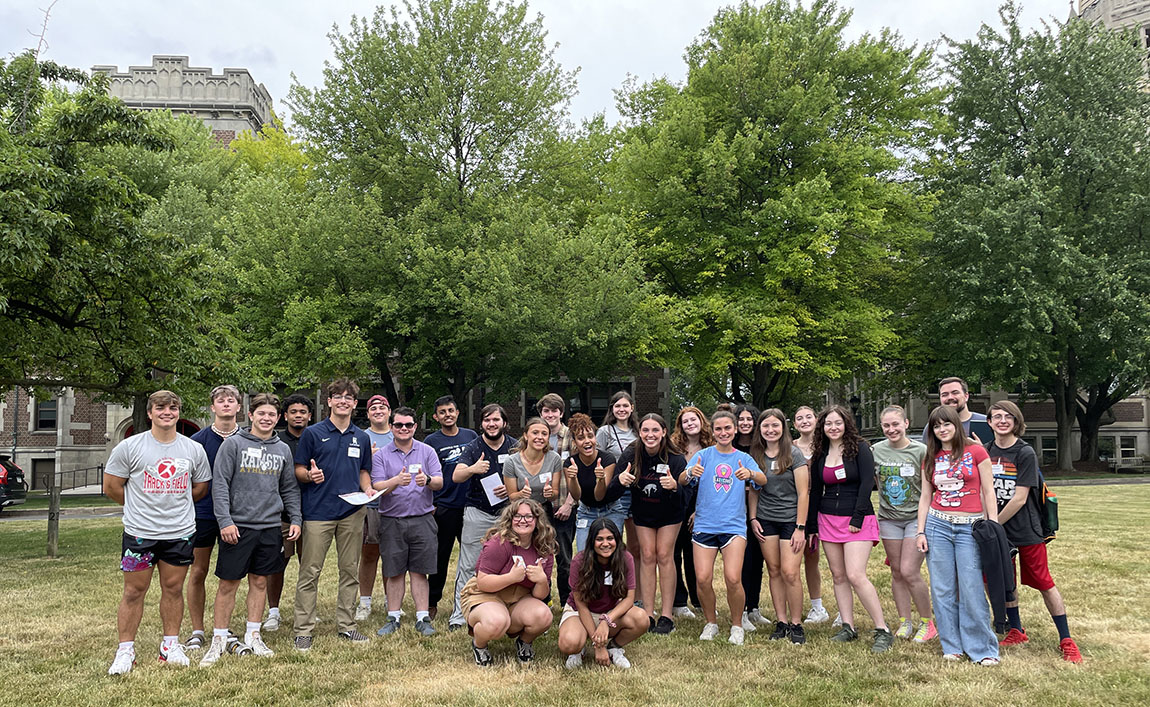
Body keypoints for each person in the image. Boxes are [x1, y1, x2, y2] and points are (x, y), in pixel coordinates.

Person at [103, 390, 211, 675]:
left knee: (173, 589)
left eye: (173, 407)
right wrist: (141, 505)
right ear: (150, 413)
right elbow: (112, 487)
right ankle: (125, 650)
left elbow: (200, 488)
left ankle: (170, 645)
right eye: (161, 407)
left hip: (180, 532)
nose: (167, 412)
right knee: (133, 591)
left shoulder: (192, 449)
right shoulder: (130, 447)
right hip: (140, 532)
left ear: (179, 412)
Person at [200, 394, 301, 666]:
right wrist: (225, 521)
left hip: (269, 526)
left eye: (272, 414)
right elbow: (219, 484)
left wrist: (295, 519)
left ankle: (253, 634)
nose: (267, 418)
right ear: (251, 415)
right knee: (228, 584)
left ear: (278, 418)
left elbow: (289, 487)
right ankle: (219, 638)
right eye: (262, 413)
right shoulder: (233, 445)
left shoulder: (282, 450)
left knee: (259, 582)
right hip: (238, 526)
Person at [986, 401, 1081, 663]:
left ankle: (1066, 639)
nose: (1002, 420)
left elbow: (1019, 499)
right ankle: (1016, 629)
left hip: (1026, 529)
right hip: (999, 531)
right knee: (1006, 582)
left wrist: (993, 523)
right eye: (997, 417)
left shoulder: (1024, 452)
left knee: (1043, 582)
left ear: (1016, 422)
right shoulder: (987, 451)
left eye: (1008, 417)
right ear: (990, 422)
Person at [292, 379, 375, 651]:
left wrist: (369, 489)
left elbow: (364, 471)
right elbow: (299, 469)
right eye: (337, 396)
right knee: (310, 571)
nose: (343, 401)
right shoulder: (313, 434)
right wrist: (309, 475)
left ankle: (347, 626)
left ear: (354, 403)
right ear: (328, 401)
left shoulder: (361, 437)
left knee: (349, 570)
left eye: (348, 397)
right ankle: (303, 630)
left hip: (352, 512)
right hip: (318, 512)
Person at [916, 405, 1000, 666]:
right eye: (936, 426)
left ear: (956, 425)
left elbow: (988, 492)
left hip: (970, 527)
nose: (942, 430)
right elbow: (925, 497)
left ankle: (982, 648)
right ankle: (951, 646)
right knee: (942, 589)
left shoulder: (976, 451)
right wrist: (920, 531)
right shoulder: (931, 457)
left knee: (971, 587)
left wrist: (993, 526)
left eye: (946, 424)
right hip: (937, 525)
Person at [808, 405, 893, 652]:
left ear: (846, 424)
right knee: (838, 575)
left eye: (838, 423)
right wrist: (812, 524)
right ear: (822, 428)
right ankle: (848, 626)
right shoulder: (821, 452)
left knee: (856, 574)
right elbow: (815, 490)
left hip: (857, 520)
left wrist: (856, 518)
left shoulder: (861, 448)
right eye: (828, 424)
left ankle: (882, 630)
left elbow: (868, 484)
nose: (833, 428)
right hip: (827, 520)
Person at [679, 410, 766, 645]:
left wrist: (750, 474)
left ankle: (737, 625)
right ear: (713, 431)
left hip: (733, 526)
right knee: (703, 579)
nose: (723, 432)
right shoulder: (704, 455)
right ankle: (711, 622)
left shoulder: (742, 458)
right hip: (705, 525)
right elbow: (682, 480)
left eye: (728, 428)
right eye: (718, 429)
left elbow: (762, 479)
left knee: (732, 578)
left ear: (735, 429)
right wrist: (689, 473)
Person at [371, 406, 444, 637]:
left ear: (415, 427)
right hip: (392, 520)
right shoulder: (381, 455)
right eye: (399, 425)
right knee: (394, 571)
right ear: (391, 427)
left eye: (408, 425)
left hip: (423, 519)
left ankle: (422, 617)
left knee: (420, 571)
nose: (404, 429)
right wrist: (395, 481)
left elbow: (440, 482)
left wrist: (428, 480)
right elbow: (376, 487)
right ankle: (393, 616)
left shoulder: (428, 451)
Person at [613, 413, 686, 634]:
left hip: (670, 513)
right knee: (647, 556)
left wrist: (674, 486)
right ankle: (648, 612)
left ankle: (667, 615)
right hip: (643, 512)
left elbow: (686, 496)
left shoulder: (675, 458)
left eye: (655, 430)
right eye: (646, 430)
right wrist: (620, 480)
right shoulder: (631, 453)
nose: (650, 435)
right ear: (640, 433)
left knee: (664, 555)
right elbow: (614, 487)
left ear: (664, 432)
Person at [460, 500, 556, 666]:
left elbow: (539, 595)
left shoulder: (544, 546)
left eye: (528, 516)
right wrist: (511, 577)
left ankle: (524, 643)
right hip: (486, 594)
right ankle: (479, 645)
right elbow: (482, 582)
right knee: (496, 622)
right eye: (517, 516)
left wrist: (541, 581)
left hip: (519, 597)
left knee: (544, 615)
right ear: (510, 519)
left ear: (537, 520)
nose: (523, 520)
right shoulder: (499, 543)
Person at [448, 404, 517, 631]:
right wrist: (473, 469)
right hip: (478, 512)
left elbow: (527, 474)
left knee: (510, 564)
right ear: (481, 424)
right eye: (487, 420)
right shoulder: (473, 446)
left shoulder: (515, 447)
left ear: (504, 423)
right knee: (468, 564)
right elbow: (457, 476)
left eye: (496, 420)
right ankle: (459, 614)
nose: (492, 424)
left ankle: (507, 609)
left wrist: (511, 490)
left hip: (509, 514)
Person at [872, 405, 936, 644]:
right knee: (897, 571)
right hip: (888, 518)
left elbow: (929, 487)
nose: (891, 429)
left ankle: (927, 623)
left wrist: (922, 524)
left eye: (895, 424)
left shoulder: (920, 451)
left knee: (910, 571)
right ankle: (904, 621)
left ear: (906, 424)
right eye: (886, 426)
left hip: (914, 519)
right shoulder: (875, 450)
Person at [185, 384, 241, 652]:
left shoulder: (250, 439)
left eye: (231, 400)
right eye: (221, 401)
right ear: (213, 407)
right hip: (204, 515)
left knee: (230, 575)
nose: (226, 404)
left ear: (239, 407)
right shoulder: (197, 441)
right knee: (198, 571)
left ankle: (223, 626)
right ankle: (197, 630)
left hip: (238, 516)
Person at [748, 408, 810, 645]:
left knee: (790, 572)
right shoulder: (756, 454)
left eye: (775, 425)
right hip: (766, 519)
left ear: (783, 428)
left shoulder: (793, 454)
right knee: (774, 570)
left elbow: (804, 493)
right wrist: (753, 518)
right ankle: (781, 621)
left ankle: (796, 623)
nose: (770, 430)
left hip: (791, 521)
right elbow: (754, 489)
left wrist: (800, 527)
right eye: (766, 426)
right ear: (760, 430)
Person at [558, 519, 648, 669]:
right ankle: (578, 650)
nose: (605, 544)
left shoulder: (626, 558)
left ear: (617, 540)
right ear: (592, 541)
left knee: (641, 618)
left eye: (610, 538)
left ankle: (614, 648)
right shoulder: (579, 561)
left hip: (610, 612)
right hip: (579, 613)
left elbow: (629, 598)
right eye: (599, 539)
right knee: (569, 643)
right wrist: (597, 646)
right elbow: (581, 605)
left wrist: (606, 620)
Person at [425, 395, 479, 621]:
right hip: (445, 506)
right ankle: (431, 602)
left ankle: (472, 601)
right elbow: (428, 476)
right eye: (442, 412)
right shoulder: (431, 442)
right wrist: (432, 504)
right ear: (436, 417)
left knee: (473, 558)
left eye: (451, 410)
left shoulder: (471, 436)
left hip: (470, 505)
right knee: (440, 557)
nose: (447, 415)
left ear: (458, 413)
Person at [264, 393, 312, 632]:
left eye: (303, 412)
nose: (298, 416)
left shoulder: (316, 439)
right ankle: (273, 611)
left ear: (310, 416)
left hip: (311, 512)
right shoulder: (276, 442)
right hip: (280, 513)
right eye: (293, 412)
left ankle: (306, 610)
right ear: (285, 416)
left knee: (309, 564)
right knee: (277, 564)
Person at [596, 391, 642, 601]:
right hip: (615, 492)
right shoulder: (605, 432)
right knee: (612, 544)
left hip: (637, 492)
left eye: (625, 406)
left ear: (632, 407)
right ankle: (610, 591)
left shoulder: (639, 431)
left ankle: (637, 594)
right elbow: (599, 459)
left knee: (635, 547)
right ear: (612, 409)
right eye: (617, 406)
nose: (621, 410)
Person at [537, 393, 578, 607]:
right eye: (546, 411)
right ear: (541, 413)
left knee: (564, 559)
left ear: (561, 413)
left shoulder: (571, 436)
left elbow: (578, 472)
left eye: (554, 410)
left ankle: (566, 602)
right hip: (540, 507)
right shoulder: (536, 436)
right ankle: (543, 600)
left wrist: (569, 504)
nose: (550, 414)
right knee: (540, 557)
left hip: (564, 505)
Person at [669, 407, 709, 618]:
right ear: (680, 426)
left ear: (701, 420)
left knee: (695, 555)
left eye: (693, 419)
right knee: (674, 554)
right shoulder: (674, 447)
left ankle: (699, 599)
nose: (690, 424)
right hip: (675, 505)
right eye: (685, 421)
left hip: (701, 507)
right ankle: (678, 601)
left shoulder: (711, 447)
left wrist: (698, 511)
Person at [357, 394, 393, 622]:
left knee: (392, 556)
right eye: (373, 408)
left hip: (396, 505)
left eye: (383, 407)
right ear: (368, 414)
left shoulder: (398, 433)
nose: (378, 410)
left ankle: (392, 600)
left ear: (390, 411)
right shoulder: (361, 437)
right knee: (369, 554)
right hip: (370, 505)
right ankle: (365, 602)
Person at [793, 405, 829, 625]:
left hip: (822, 505)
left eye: (808, 416)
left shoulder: (826, 445)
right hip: (797, 506)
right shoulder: (790, 447)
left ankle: (821, 606)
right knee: (801, 557)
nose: (805, 421)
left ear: (816, 419)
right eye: (799, 418)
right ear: (795, 424)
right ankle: (813, 607)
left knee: (824, 559)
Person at [734, 403, 768, 632]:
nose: (745, 423)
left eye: (749, 419)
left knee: (758, 559)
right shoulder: (730, 447)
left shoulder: (761, 448)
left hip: (760, 508)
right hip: (734, 510)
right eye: (741, 419)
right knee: (742, 561)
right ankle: (742, 609)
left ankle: (754, 607)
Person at [570, 414, 624, 553]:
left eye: (590, 436)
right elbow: (576, 496)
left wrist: (600, 479)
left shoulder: (607, 459)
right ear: (574, 442)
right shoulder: (570, 463)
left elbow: (599, 495)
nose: (587, 441)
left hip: (611, 509)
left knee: (612, 555)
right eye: (581, 438)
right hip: (586, 512)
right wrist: (573, 478)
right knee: (583, 554)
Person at [924, 377, 992, 444]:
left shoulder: (986, 423)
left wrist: (982, 449)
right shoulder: (932, 427)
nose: (950, 397)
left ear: (966, 396)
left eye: (955, 393)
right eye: (945, 395)